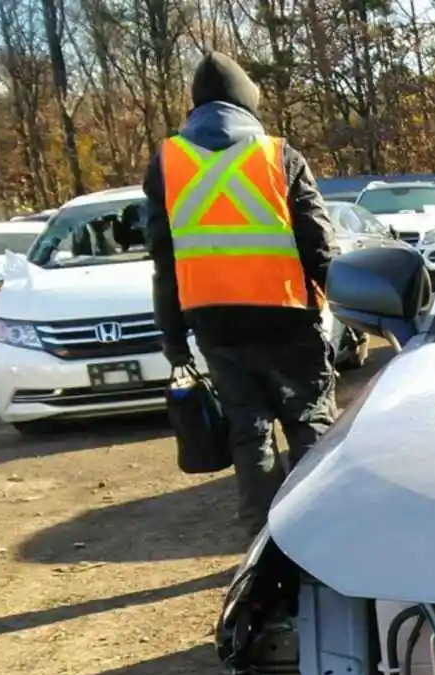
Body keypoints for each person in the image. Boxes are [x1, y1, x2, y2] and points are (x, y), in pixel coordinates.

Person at [145, 52, 337, 536]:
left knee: (249, 433)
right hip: (287, 317)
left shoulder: (169, 163)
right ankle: (325, 531)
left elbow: (164, 260)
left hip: (215, 323)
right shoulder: (279, 156)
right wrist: (347, 302)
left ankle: (262, 545)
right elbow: (319, 243)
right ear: (248, 100)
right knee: (309, 421)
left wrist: (171, 334)